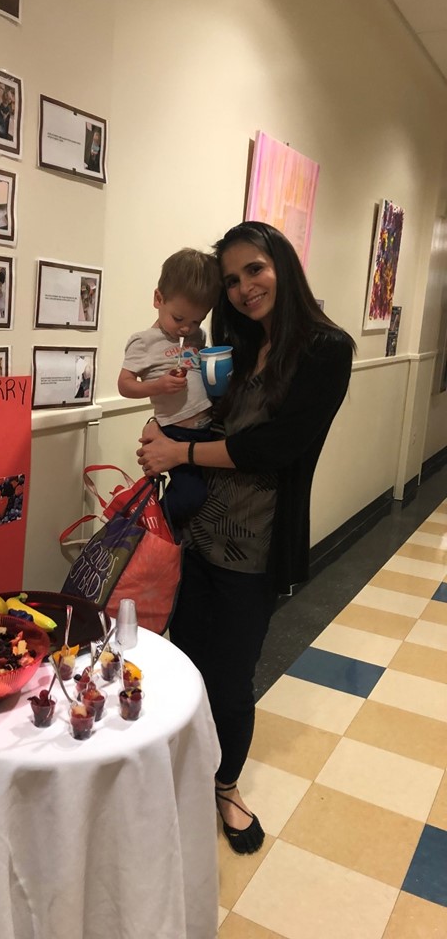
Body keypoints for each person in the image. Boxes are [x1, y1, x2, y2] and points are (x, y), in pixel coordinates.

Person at [137, 221, 354, 855]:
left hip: (253, 547)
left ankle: (225, 786)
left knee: (230, 676)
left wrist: (182, 453)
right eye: (231, 280)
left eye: (254, 270)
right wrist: (163, 436)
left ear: (282, 265)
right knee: (183, 659)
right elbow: (200, 420)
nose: (243, 288)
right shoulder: (234, 341)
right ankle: (182, 770)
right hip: (193, 532)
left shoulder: (324, 348)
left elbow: (275, 448)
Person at [118, 248, 221, 525]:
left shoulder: (196, 336)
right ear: (158, 299)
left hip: (205, 429)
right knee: (191, 495)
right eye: (179, 319)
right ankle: (150, 527)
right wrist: (158, 385)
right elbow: (125, 386)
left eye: (196, 320)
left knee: (212, 491)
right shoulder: (143, 341)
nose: (187, 328)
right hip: (175, 431)